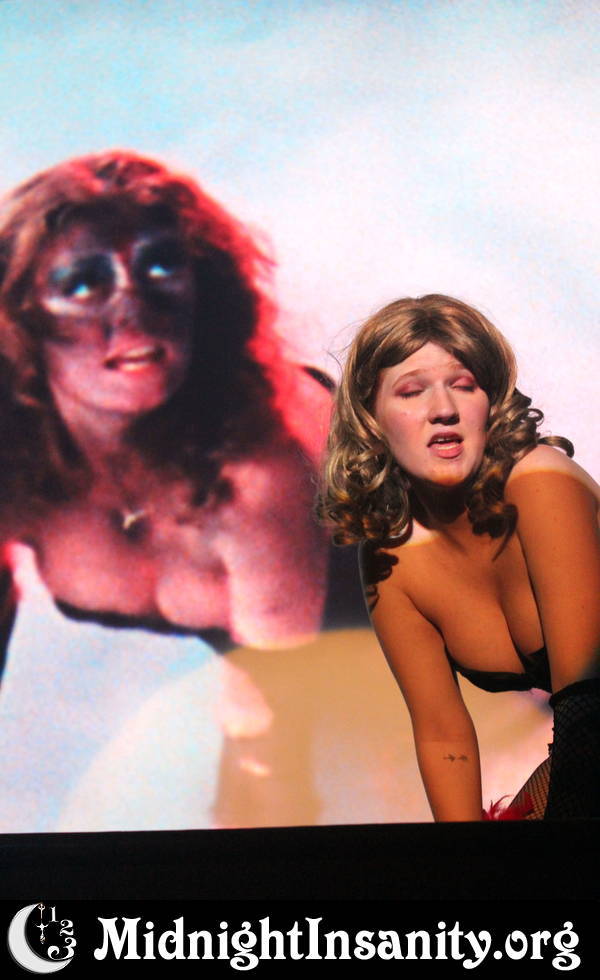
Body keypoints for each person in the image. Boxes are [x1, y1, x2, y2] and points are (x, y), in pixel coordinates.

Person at [0, 150, 365, 831]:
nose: (133, 308)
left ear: (206, 288)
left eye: (162, 266)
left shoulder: (258, 465)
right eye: (84, 282)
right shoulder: (13, 461)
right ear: (19, 317)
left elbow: (272, 743)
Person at [320, 294, 600, 820]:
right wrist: (462, 863)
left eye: (464, 385)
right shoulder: (391, 560)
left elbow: (586, 702)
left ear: (490, 403)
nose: (443, 408)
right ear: (372, 421)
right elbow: (443, 736)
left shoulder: (540, 482)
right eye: (412, 391)